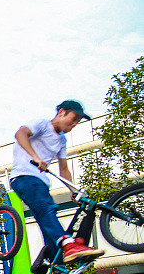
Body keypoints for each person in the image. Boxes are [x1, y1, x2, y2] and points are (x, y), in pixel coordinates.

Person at [10, 100, 104, 265]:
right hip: (24, 177)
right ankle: (68, 244)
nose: (74, 124)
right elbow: (20, 134)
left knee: (48, 223)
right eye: (73, 119)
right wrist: (36, 157)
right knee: (47, 208)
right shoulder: (42, 125)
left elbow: (64, 168)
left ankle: (59, 270)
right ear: (61, 112)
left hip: (41, 183)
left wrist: (74, 190)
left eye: (77, 122)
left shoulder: (61, 140)